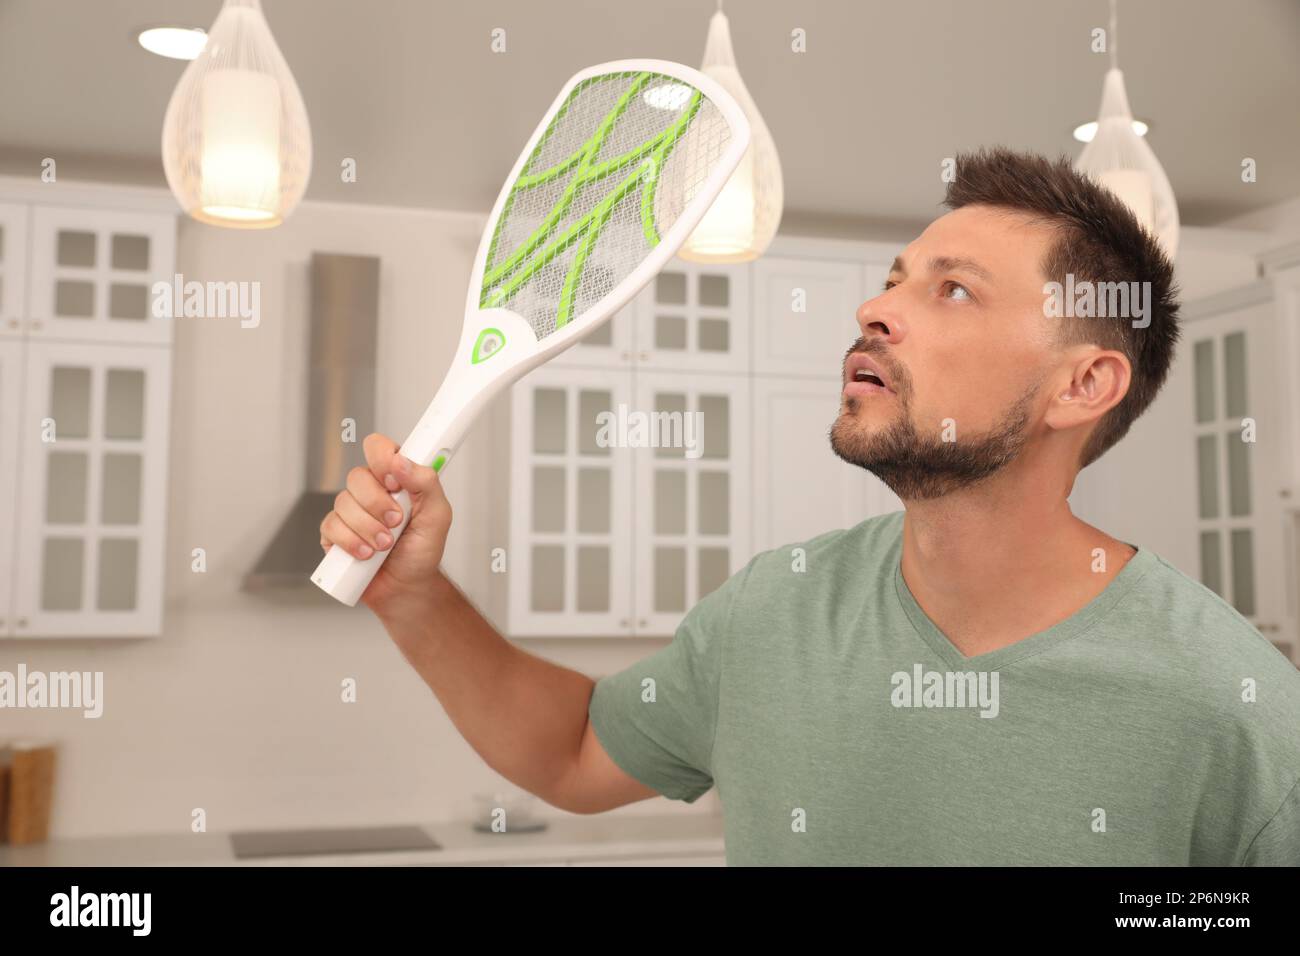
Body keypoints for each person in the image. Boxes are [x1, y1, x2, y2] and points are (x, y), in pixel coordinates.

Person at [319, 147, 1300, 865]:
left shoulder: (1234, 706)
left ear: (1081, 385)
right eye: (890, 280)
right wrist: (414, 594)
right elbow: (574, 750)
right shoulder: (773, 610)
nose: (875, 310)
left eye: (952, 290)